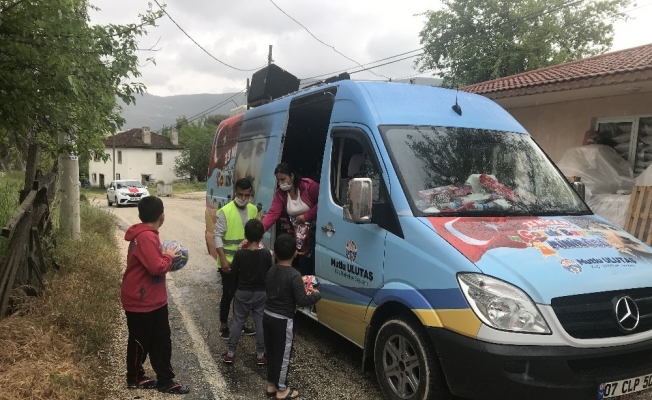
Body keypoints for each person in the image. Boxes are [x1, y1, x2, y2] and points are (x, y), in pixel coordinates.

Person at [121, 196, 190, 394]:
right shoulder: (146, 237)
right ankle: (134, 377)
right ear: (162, 216)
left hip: (153, 299)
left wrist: (164, 256)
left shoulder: (148, 235)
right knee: (140, 341)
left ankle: (165, 380)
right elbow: (156, 267)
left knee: (161, 341)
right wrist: (168, 256)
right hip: (141, 300)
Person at [263, 234, 321, 399]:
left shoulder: (271, 270)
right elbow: (301, 301)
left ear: (275, 254)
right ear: (295, 253)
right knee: (283, 355)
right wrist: (316, 295)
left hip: (267, 316)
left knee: (271, 352)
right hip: (283, 320)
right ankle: (282, 390)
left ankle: (272, 384)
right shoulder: (294, 275)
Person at [222, 219, 273, 365]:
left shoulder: (240, 254)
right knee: (260, 323)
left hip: (243, 291)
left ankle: (231, 353)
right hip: (261, 293)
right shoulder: (266, 254)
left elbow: (233, 271)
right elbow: (269, 272)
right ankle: (260, 355)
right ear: (262, 236)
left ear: (245, 235)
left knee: (238, 321)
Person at [214, 178, 258, 339]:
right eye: (240, 194)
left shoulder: (253, 210)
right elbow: (217, 236)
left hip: (246, 263)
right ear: (235, 192)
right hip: (229, 263)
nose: (243, 198)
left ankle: (240, 324)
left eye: (246, 195)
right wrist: (223, 260)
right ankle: (223, 325)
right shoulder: (225, 211)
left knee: (243, 296)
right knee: (228, 294)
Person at [262, 163, 319, 276]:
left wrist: (307, 216)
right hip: (300, 238)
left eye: (283, 179)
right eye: (278, 181)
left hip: (317, 234)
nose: (281, 183)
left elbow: (322, 203)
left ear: (292, 176)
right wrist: (260, 230)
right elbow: (273, 213)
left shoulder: (309, 186)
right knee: (303, 266)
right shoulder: (280, 194)